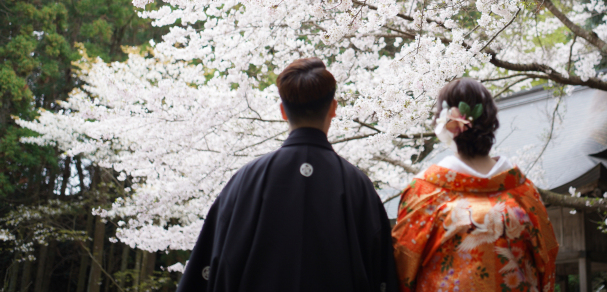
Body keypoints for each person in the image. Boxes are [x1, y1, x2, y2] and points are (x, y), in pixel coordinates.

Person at [177, 58, 398, 292]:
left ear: (282, 111)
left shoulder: (245, 181)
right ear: (334, 108)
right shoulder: (358, 185)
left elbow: (210, 266)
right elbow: (381, 274)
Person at [392, 78, 559, 292]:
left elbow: (403, 266)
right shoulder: (523, 192)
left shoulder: (425, 193)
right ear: (490, 121)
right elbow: (547, 259)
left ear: (445, 123)